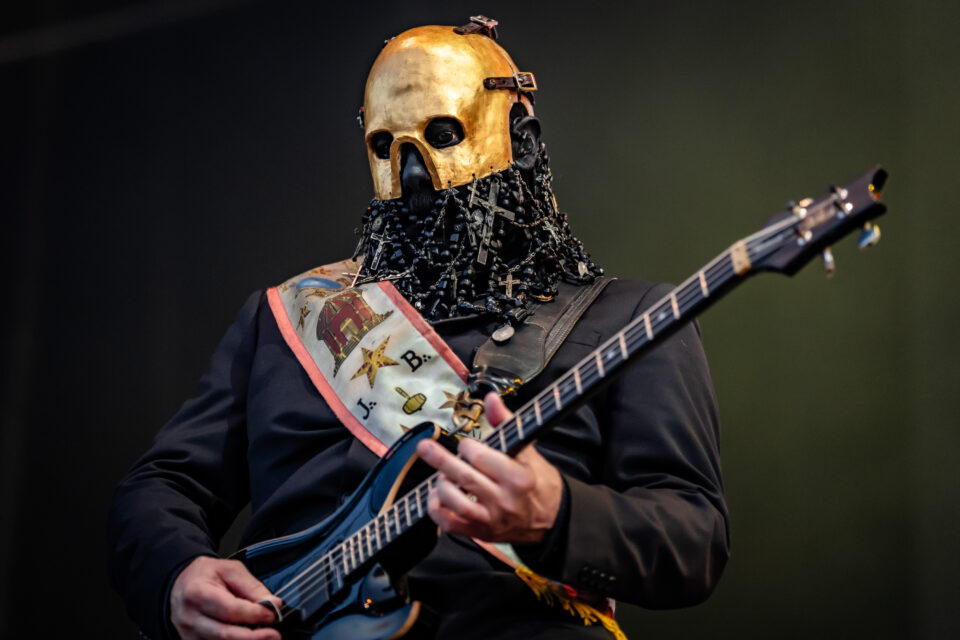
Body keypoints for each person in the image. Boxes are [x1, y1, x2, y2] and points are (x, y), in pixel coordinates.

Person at [107, 17, 728, 640]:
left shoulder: (633, 318)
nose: (411, 176)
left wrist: (557, 514)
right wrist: (176, 576)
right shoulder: (288, 316)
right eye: (386, 146)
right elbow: (162, 485)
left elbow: (693, 540)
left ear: (521, 137)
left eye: (443, 135)